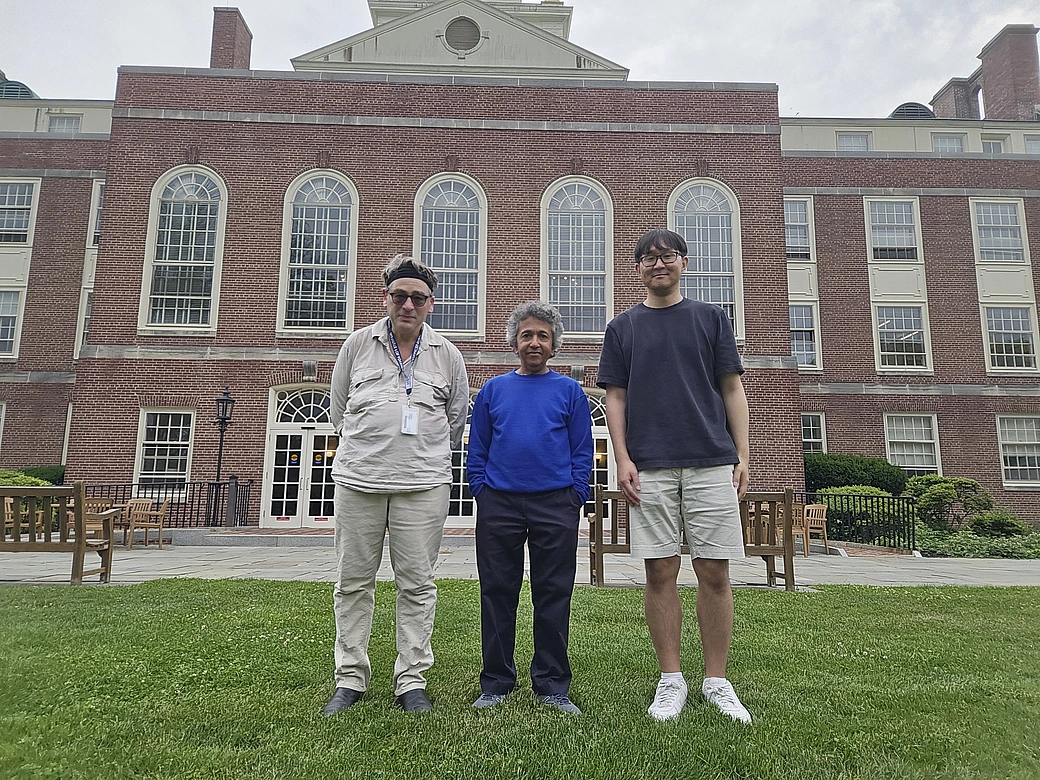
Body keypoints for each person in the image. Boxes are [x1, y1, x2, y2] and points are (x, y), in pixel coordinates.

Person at [596, 229, 753, 724]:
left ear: (684, 262)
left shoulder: (711, 318)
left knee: (714, 570)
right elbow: (614, 397)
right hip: (650, 465)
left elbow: (731, 389)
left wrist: (741, 455)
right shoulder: (622, 328)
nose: (658, 265)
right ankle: (671, 680)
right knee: (659, 572)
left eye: (667, 257)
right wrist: (621, 457)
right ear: (637, 268)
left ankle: (716, 681)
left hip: (711, 460)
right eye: (648, 258)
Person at [323, 254, 469, 716]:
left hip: (423, 486)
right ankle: (350, 678)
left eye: (418, 297)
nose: (408, 304)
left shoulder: (448, 355)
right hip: (358, 482)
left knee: (418, 585)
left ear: (431, 304)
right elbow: (339, 408)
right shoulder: (356, 345)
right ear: (385, 298)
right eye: (399, 295)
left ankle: (411, 680)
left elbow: (455, 421)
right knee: (352, 583)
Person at [466, 301, 593, 715]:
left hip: (556, 503)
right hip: (498, 503)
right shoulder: (492, 390)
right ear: (514, 343)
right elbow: (478, 445)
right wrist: (480, 489)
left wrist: (577, 493)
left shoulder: (570, 391)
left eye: (542, 335)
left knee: (553, 593)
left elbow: (581, 449)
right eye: (526, 335)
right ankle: (497, 682)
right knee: (497, 593)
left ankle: (552, 685)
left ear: (554, 344)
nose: (534, 342)